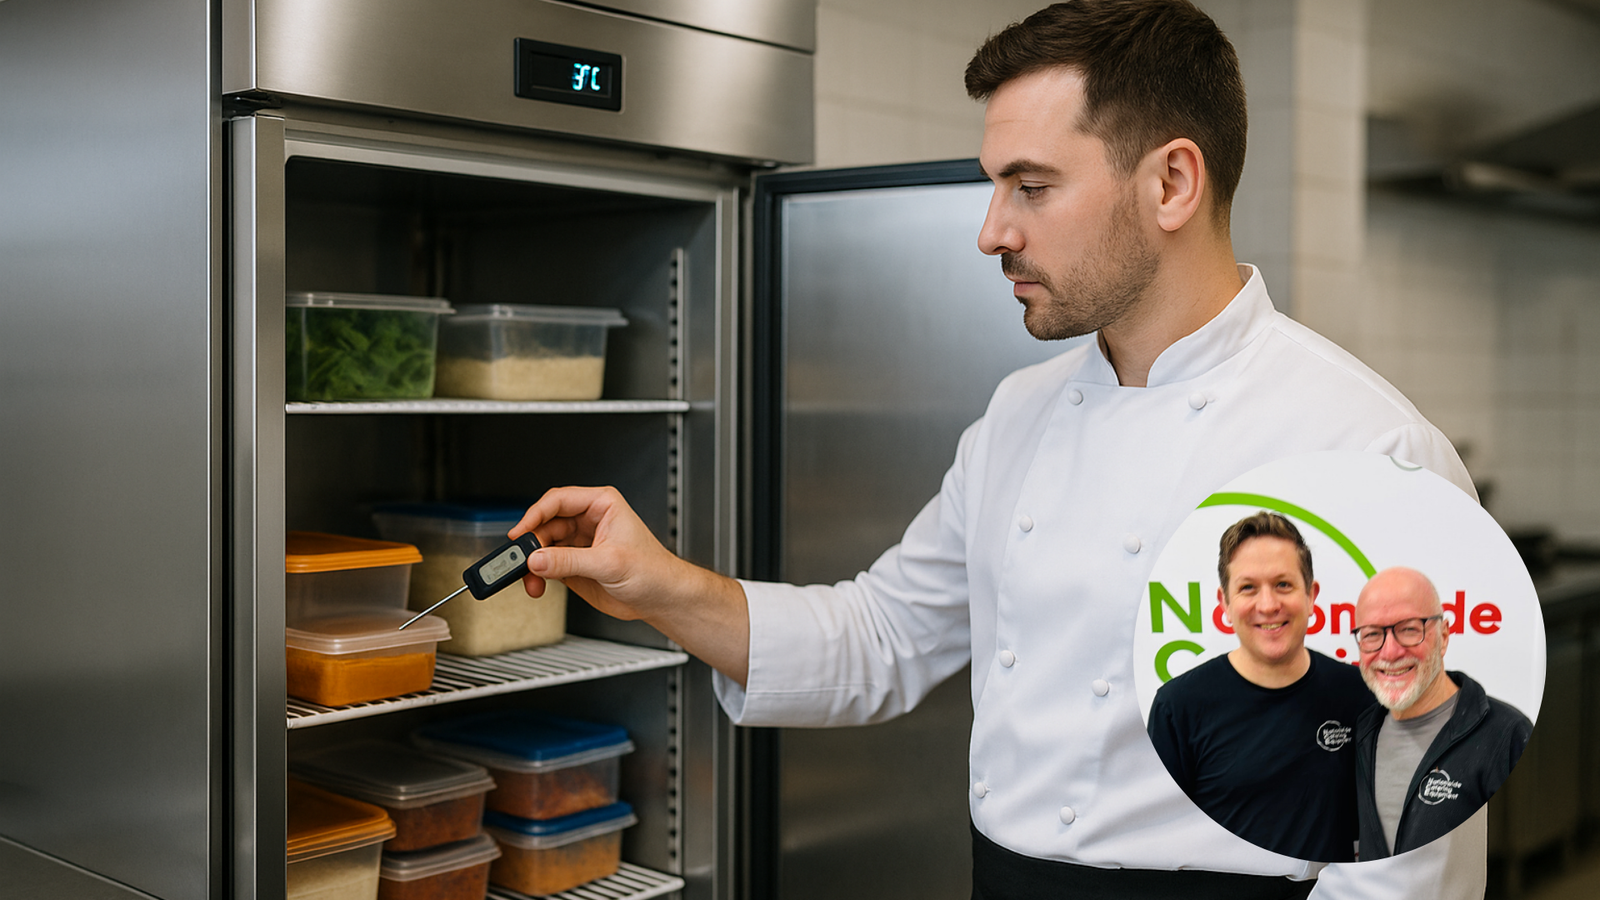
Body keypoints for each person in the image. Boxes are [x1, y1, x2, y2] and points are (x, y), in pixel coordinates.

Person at [509, 2, 1486, 896]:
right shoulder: (1018, 413)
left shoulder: (1370, 447)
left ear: (1172, 183)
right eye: (994, 188)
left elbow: (1409, 845)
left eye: (1031, 187)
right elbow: (880, 640)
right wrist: (658, 583)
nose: (989, 232)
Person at [1146, 512, 1375, 862]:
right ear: (1224, 602)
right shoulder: (1178, 707)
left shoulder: (1360, 695)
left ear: (1311, 595)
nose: (1268, 605)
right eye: (1248, 587)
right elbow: (1157, 842)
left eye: (1283, 584)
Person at [1351, 567, 1532, 860]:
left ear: (1444, 635)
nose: (1390, 651)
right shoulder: (1360, 734)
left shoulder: (1506, 735)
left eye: (1409, 629)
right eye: (1372, 634)